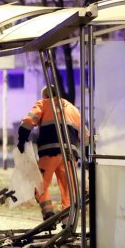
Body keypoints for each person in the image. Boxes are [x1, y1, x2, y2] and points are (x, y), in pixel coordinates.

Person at [17, 86, 83, 220]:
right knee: (68, 189)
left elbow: (28, 121)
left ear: (46, 96)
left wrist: (22, 140)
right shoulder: (74, 109)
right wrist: (88, 153)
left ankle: (48, 214)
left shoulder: (44, 103)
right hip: (70, 154)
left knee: (40, 184)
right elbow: (85, 136)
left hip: (50, 151)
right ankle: (67, 220)